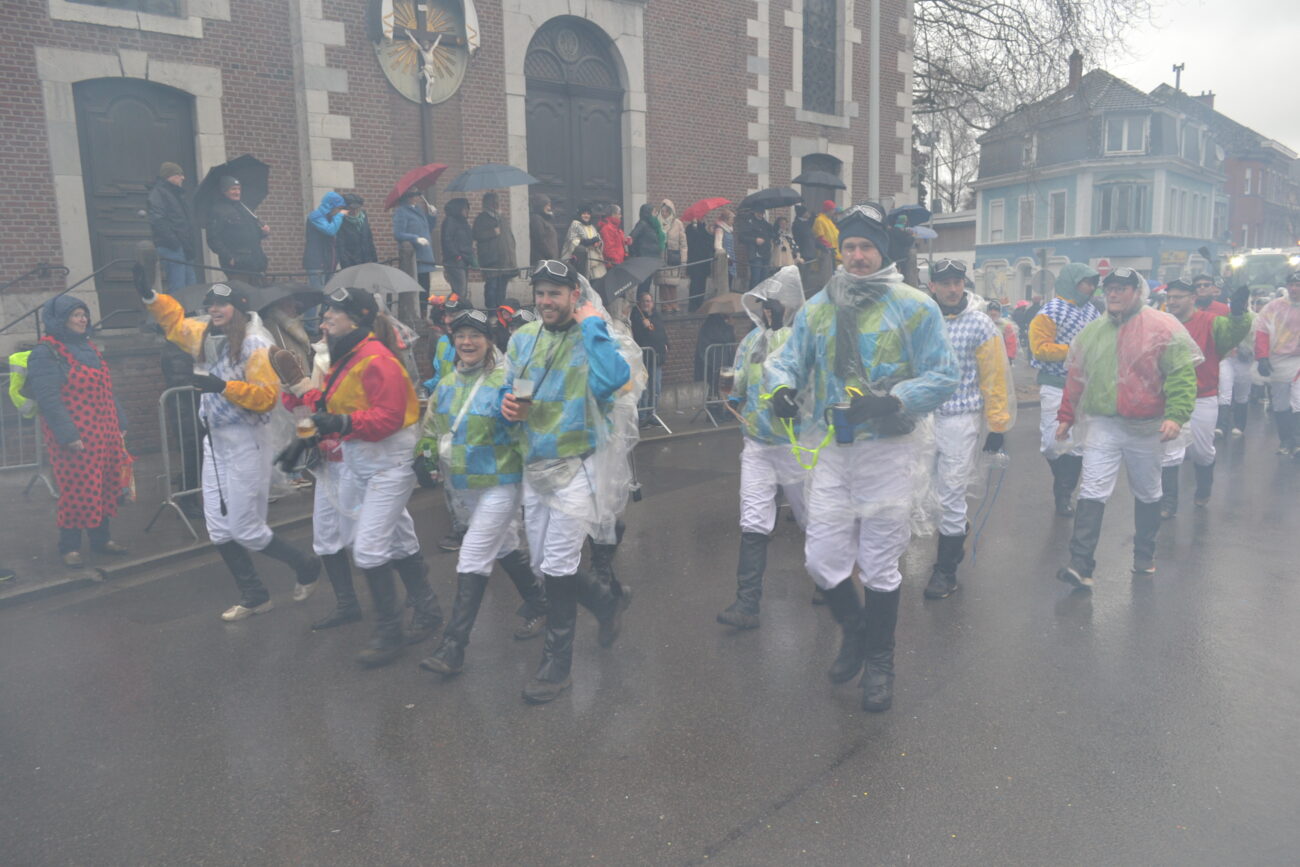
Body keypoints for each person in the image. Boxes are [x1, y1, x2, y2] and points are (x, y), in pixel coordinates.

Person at [765, 203, 959, 713]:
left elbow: (944, 374)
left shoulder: (915, 307)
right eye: (849, 246)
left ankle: (880, 663)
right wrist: (781, 388)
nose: (856, 256)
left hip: (889, 450)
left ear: (883, 251)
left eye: (866, 247)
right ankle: (854, 629)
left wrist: (893, 400)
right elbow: (788, 358)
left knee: (878, 563)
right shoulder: (820, 306)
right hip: (834, 447)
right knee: (821, 559)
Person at [139, 278, 320, 620]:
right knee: (219, 529)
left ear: (239, 306)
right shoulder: (207, 336)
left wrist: (223, 386)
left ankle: (305, 565)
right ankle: (254, 596)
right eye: (210, 304)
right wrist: (152, 297)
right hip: (216, 441)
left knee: (245, 528)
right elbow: (176, 325)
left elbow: (266, 398)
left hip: (247, 441)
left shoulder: (254, 344)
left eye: (221, 303)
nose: (214, 309)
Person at [280, 287, 443, 661]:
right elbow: (326, 404)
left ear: (356, 318)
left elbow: (390, 417)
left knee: (368, 549)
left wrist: (342, 422)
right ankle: (428, 609)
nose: (324, 319)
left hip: (388, 464)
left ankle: (389, 634)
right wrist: (302, 430)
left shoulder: (377, 359)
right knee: (398, 539)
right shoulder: (347, 356)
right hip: (362, 461)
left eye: (332, 313)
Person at [500, 259, 635, 704]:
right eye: (540, 293)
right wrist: (506, 404)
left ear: (575, 296)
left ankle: (556, 668)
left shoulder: (594, 335)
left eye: (555, 293)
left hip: (580, 464)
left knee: (558, 565)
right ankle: (606, 602)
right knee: (543, 566)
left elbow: (614, 380)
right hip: (536, 462)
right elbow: (510, 384)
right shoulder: (523, 337)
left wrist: (594, 325)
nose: (546, 301)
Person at [416, 309, 549, 675]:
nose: (467, 342)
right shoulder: (447, 382)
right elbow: (433, 427)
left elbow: (528, 423)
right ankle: (543, 603)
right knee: (503, 545)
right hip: (464, 485)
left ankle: (453, 647)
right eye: (460, 336)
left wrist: (518, 412)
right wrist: (424, 455)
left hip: (502, 482)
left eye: (475, 335)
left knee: (473, 555)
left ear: (489, 341)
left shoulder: (510, 378)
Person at [1053, 268, 1200, 589]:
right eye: (1110, 288)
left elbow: (1181, 374)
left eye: (1122, 288)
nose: (1114, 294)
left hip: (1146, 427)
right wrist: (1067, 415)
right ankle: (1080, 564)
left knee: (1147, 491)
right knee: (1092, 488)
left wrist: (1176, 415)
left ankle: (1144, 555)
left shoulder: (1162, 327)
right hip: (1103, 424)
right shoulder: (1093, 332)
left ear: (1138, 292)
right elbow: (1077, 375)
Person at [716, 267, 808, 629]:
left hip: (796, 445)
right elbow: (741, 380)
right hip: (757, 443)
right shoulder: (752, 341)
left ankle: (830, 581)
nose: (768, 311)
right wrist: (731, 389)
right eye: (764, 305)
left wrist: (798, 402)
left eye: (774, 305)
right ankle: (747, 603)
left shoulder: (801, 341)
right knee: (753, 520)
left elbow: (817, 386)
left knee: (812, 518)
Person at [917, 262, 1014, 600]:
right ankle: (957, 534)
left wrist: (997, 424)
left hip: (961, 418)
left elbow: (994, 376)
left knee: (950, 494)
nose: (952, 289)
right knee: (922, 490)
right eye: (945, 283)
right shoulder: (921, 320)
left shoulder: (980, 324)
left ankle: (945, 572)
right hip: (923, 418)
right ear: (932, 286)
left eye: (957, 282)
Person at [27, 296, 131, 567]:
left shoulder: (89, 347)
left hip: (104, 430)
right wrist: (69, 436)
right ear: (60, 320)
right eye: (76, 315)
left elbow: (106, 390)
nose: (83, 319)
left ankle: (101, 539)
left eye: (84, 314)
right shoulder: (45, 352)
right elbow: (49, 399)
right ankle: (69, 547)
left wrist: (120, 423)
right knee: (76, 489)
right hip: (76, 434)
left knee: (104, 483)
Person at [1157, 280, 1251, 516]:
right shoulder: (1162, 323)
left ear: (1192, 298)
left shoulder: (1211, 322)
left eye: (1178, 297)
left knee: (1201, 452)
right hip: (1169, 397)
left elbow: (1233, 334)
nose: (1172, 302)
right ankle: (1168, 503)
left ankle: (1204, 486)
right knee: (1170, 450)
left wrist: (1238, 315)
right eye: (1170, 297)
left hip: (1202, 396)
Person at [1029, 264, 1100, 516]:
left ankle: (1064, 494)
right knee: (1052, 444)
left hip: (1084, 387)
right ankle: (1062, 485)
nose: (1090, 288)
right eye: (1085, 282)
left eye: (1093, 283)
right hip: (1055, 384)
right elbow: (1040, 349)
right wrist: (1074, 351)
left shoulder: (1093, 312)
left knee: (1078, 445)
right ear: (1072, 281)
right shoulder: (1049, 312)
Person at [1253, 271, 1300, 455]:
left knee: (1298, 400)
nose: (1294, 289)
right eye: (1292, 285)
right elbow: (1262, 331)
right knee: (1280, 404)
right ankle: (1285, 441)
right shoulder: (1274, 307)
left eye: (1298, 285)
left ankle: (1297, 441)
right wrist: (1262, 357)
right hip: (1279, 361)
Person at [206, 177, 269, 284]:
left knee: (260, 292)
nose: (237, 192)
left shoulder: (245, 208)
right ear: (224, 191)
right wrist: (229, 258)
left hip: (255, 262)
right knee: (242, 292)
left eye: (239, 189)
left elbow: (251, 233)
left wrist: (263, 232)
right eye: (233, 189)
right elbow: (213, 238)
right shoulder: (218, 210)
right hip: (238, 264)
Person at [148, 161, 196, 291]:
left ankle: (189, 306)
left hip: (184, 246)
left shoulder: (178, 194)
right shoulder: (158, 193)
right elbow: (158, 220)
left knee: (191, 285)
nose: (183, 178)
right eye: (179, 175)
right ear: (169, 176)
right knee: (178, 286)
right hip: (172, 247)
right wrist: (174, 243)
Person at [393, 188, 438, 313]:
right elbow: (398, 233)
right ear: (408, 197)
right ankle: (415, 314)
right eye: (415, 195)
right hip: (414, 256)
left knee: (425, 288)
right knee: (416, 289)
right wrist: (415, 238)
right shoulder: (401, 212)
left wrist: (432, 216)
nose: (418, 197)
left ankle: (423, 314)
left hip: (425, 255)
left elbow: (428, 228)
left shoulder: (418, 210)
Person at [474, 192, 518, 310]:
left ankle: (500, 311)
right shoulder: (481, 219)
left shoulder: (502, 218)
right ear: (487, 203)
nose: (497, 204)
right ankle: (492, 311)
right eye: (494, 202)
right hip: (491, 260)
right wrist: (493, 232)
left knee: (502, 288)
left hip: (504, 260)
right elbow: (476, 235)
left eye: (497, 201)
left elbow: (509, 237)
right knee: (492, 288)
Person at [630, 288, 668, 425]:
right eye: (644, 301)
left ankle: (652, 413)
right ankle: (642, 416)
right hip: (644, 359)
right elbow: (640, 338)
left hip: (656, 358)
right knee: (644, 389)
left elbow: (662, 333)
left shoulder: (656, 317)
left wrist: (666, 345)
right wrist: (645, 327)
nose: (647, 304)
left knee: (656, 388)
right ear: (640, 303)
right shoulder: (636, 318)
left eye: (649, 301)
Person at [560, 202, 605, 283]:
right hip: (581, 259)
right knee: (582, 280)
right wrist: (585, 242)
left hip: (593, 260)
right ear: (580, 214)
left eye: (588, 214)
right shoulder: (575, 224)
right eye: (584, 213)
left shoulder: (592, 226)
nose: (586, 216)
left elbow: (598, 238)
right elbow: (571, 240)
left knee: (596, 281)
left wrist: (598, 243)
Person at [439, 197, 474, 300]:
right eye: (464, 208)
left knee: (461, 291)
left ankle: (451, 308)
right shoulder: (450, 221)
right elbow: (447, 240)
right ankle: (450, 308)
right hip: (454, 260)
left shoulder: (463, 222)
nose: (467, 211)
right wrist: (456, 255)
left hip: (464, 259)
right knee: (460, 291)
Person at [657, 199, 687, 313]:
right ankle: (665, 304)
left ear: (671, 211)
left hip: (673, 256)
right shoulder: (657, 223)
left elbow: (683, 243)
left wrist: (683, 259)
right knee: (662, 283)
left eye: (667, 211)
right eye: (663, 211)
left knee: (672, 283)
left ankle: (674, 303)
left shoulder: (678, 223)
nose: (664, 213)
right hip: (660, 256)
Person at [336, 194, 378, 269]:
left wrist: (374, 260)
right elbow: (341, 246)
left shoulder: (363, 218)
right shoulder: (341, 220)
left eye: (357, 208)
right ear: (346, 208)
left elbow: (369, 240)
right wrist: (346, 264)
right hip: (351, 263)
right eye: (351, 208)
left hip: (367, 260)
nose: (355, 211)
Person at [736, 208, 774, 288]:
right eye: (759, 212)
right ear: (755, 212)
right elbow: (742, 237)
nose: (761, 214)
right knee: (755, 278)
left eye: (762, 213)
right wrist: (755, 240)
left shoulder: (766, 224)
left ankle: (761, 295)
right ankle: (752, 294)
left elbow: (772, 235)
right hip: (756, 254)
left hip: (766, 253)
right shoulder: (748, 223)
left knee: (764, 279)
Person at [685, 218, 714, 311]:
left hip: (704, 261)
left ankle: (700, 303)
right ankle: (693, 305)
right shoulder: (690, 228)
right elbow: (690, 242)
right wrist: (694, 229)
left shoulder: (705, 228)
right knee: (694, 284)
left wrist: (710, 233)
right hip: (694, 261)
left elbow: (710, 243)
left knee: (702, 284)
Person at [598, 204, 629, 270]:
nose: (621, 216)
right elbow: (608, 248)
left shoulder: (616, 227)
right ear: (613, 214)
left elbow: (620, 242)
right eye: (619, 214)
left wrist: (627, 241)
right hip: (614, 263)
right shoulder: (607, 229)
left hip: (619, 261)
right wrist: (615, 261)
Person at [529, 194, 559, 262]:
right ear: (540, 206)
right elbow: (540, 240)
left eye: (550, 206)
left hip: (548, 260)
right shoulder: (536, 219)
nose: (549, 208)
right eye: (547, 205)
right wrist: (550, 256)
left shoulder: (543, 219)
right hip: (543, 260)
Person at [712, 208, 736, 294]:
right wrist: (726, 256)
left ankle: (728, 294)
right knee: (725, 278)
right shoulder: (720, 229)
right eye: (731, 219)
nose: (733, 221)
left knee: (730, 277)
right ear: (726, 219)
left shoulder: (729, 229)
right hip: (724, 258)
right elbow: (718, 245)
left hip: (730, 257)